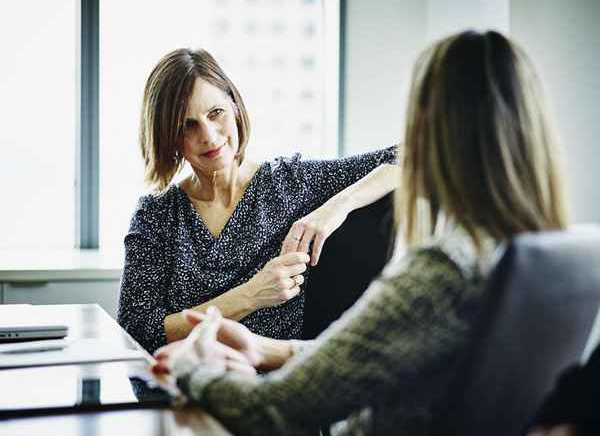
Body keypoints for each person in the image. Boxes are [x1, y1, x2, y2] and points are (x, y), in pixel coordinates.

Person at [150, 30, 569, 436]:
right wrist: (268, 348)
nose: (207, 134)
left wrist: (192, 369)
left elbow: (271, 411)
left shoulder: (441, 269)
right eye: (188, 125)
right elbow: (390, 352)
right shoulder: (551, 261)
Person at [117, 48, 399, 355]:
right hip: (181, 385)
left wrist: (336, 206)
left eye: (215, 113)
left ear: (235, 107)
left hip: (276, 384)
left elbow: (413, 153)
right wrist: (251, 295)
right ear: (168, 136)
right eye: (188, 125)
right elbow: (137, 330)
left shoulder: (289, 183)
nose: (209, 136)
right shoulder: (156, 214)